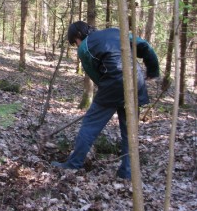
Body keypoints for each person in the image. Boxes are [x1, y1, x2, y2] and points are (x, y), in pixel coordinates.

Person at [52, 21, 159, 179]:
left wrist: (108, 92)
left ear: (78, 36)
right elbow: (144, 45)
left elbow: (95, 75)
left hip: (113, 83)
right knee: (130, 132)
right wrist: (153, 70)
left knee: (89, 126)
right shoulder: (116, 32)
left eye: (75, 42)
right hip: (137, 81)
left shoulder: (84, 47)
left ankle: (73, 164)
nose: (77, 45)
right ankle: (127, 172)